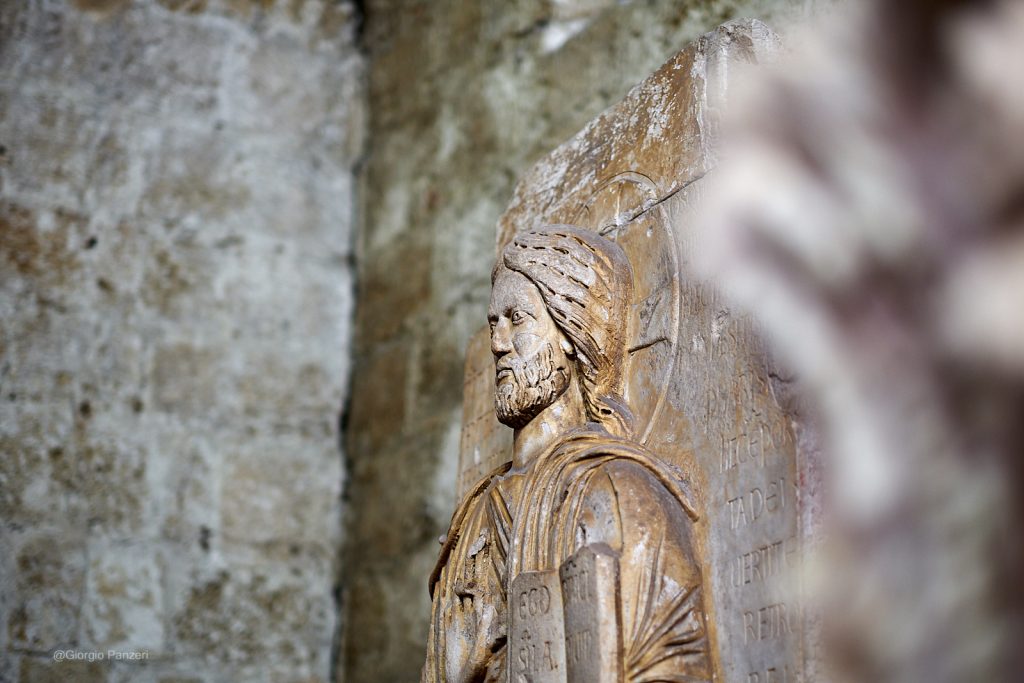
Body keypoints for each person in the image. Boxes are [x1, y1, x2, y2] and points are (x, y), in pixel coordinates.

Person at [423, 225, 712, 683]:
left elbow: (677, 668)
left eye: (517, 319)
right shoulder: (472, 524)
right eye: (492, 324)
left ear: (569, 335)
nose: (498, 344)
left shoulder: (619, 492)